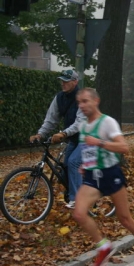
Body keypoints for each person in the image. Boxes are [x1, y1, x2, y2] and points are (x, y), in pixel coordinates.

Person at [73, 88, 134, 266]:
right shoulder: (83, 125)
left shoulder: (107, 122)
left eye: (85, 101)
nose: (82, 105)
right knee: (79, 213)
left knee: (124, 218)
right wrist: (85, 165)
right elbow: (89, 151)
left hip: (111, 173)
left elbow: (124, 147)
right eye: (80, 102)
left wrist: (100, 142)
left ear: (96, 101)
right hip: (93, 176)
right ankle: (104, 246)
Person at [29, 69, 84, 209]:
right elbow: (51, 119)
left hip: (88, 138)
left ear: (75, 82)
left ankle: (78, 200)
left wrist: (64, 133)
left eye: (66, 81)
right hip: (73, 140)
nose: (63, 83)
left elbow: (80, 123)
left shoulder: (82, 97)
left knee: (73, 163)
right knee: (65, 167)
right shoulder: (59, 98)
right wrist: (40, 134)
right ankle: (76, 191)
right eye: (62, 80)